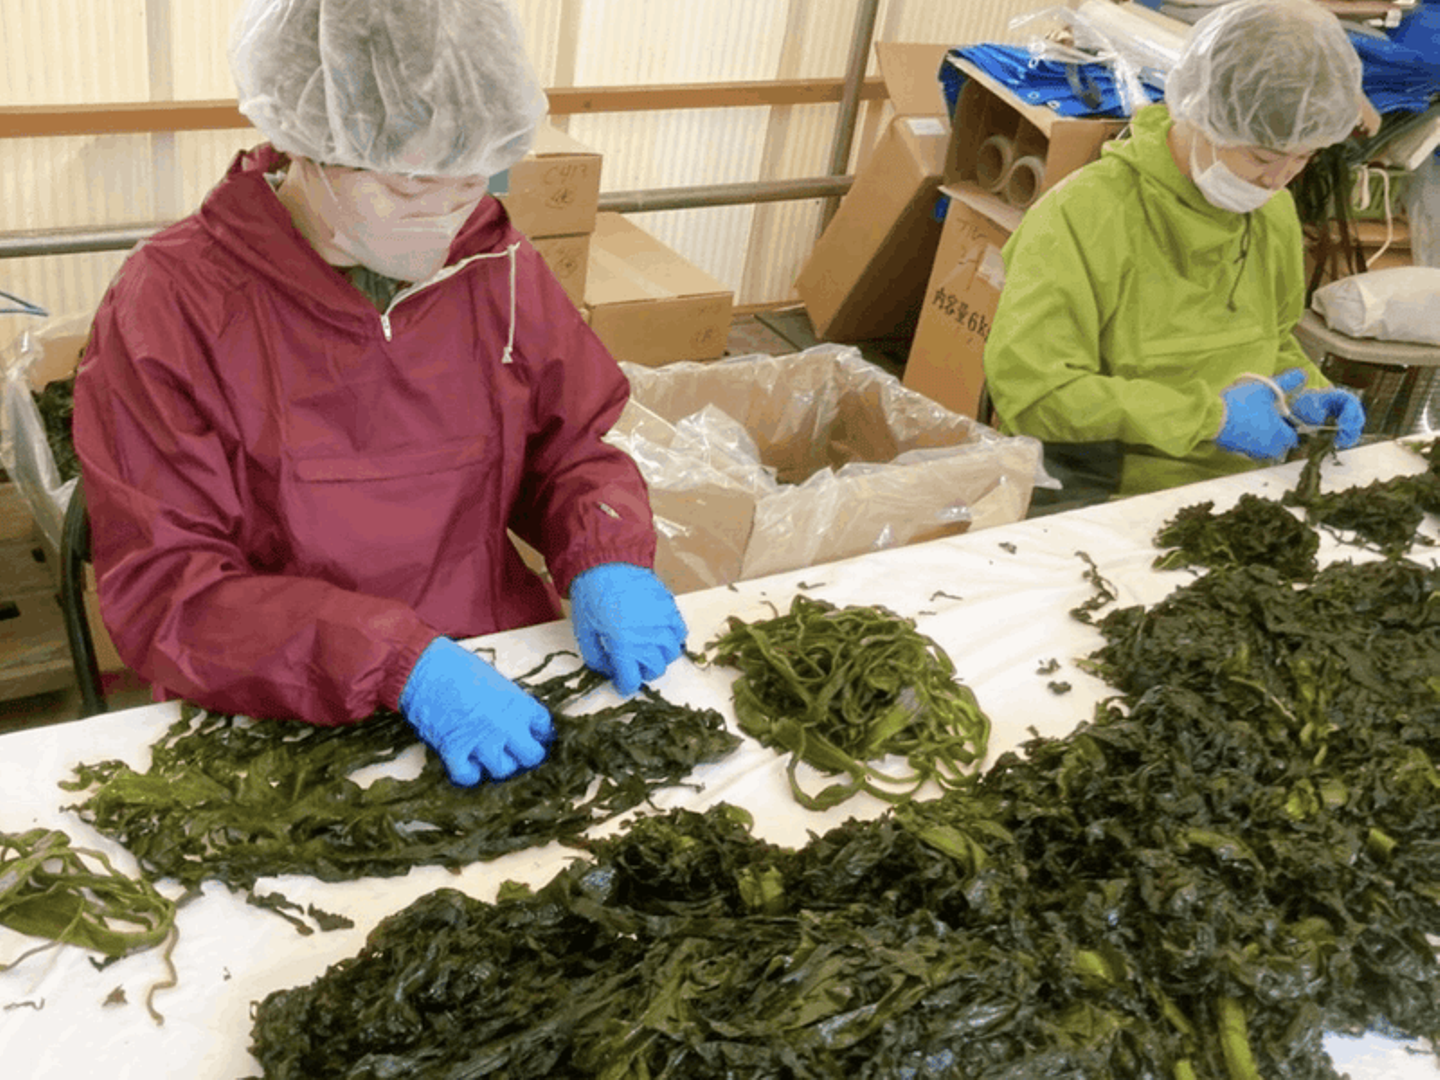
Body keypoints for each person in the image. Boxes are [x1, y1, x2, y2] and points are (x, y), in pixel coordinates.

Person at [71, 0, 687, 787]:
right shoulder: (173, 304)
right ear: (312, 146)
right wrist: (394, 661)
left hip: (493, 665)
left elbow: (568, 448)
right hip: (278, 702)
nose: (443, 218)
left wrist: (603, 551)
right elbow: (169, 590)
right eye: (408, 187)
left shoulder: (492, 264)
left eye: (471, 179)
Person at [983, 0, 1369, 504]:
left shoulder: (1270, 214)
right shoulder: (1082, 217)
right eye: (1261, 156)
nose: (1278, 179)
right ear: (1202, 112)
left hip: (1240, 486)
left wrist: (1304, 393)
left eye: (1304, 157)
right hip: (1106, 497)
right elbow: (1035, 394)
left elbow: (1268, 341)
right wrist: (1211, 419)